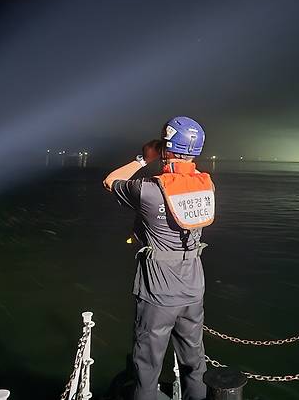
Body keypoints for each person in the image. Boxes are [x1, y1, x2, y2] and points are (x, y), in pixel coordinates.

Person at [103, 116, 214, 400]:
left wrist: (143, 158)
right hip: (193, 288)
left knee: (147, 366)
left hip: (158, 293)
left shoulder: (148, 191)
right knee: (195, 362)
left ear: (166, 149)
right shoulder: (207, 187)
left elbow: (111, 180)